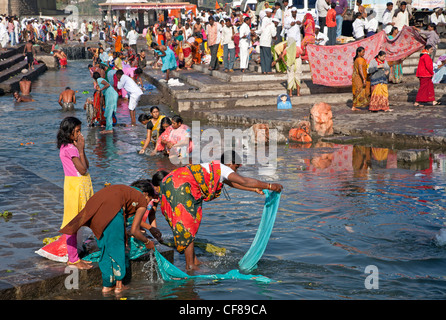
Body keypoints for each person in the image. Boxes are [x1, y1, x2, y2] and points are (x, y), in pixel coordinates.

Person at [156, 150, 284, 271]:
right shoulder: (224, 169)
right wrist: (270, 186)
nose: (236, 170)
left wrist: (254, 189)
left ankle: (194, 261)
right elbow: (243, 180)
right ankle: (190, 265)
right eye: (236, 167)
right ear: (230, 163)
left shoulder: (216, 169)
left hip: (175, 182)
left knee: (191, 224)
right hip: (180, 185)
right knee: (187, 225)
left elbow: (233, 183)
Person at [59, 182, 160, 293]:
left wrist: (149, 228)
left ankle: (107, 286)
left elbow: (127, 219)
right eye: (149, 199)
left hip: (94, 211)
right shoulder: (141, 198)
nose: (147, 203)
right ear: (146, 194)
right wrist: (147, 242)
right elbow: (134, 231)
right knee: (117, 248)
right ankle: (119, 286)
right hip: (111, 211)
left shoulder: (125, 190)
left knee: (105, 249)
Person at [56, 116, 94, 270]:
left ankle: (75, 256)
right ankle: (73, 259)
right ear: (69, 132)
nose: (79, 134)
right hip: (76, 187)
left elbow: (86, 165)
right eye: (77, 131)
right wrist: (81, 149)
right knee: (72, 223)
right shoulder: (71, 149)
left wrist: (81, 151)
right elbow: (83, 169)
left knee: (77, 221)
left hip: (77, 186)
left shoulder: (67, 146)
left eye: (80, 131)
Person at [352, 46, 370, 111]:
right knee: (358, 91)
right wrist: (364, 79)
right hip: (359, 78)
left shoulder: (359, 59)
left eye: (364, 52)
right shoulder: (359, 60)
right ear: (358, 52)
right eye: (363, 52)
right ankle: (355, 106)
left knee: (359, 91)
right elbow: (360, 69)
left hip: (357, 77)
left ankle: (359, 105)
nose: (364, 53)